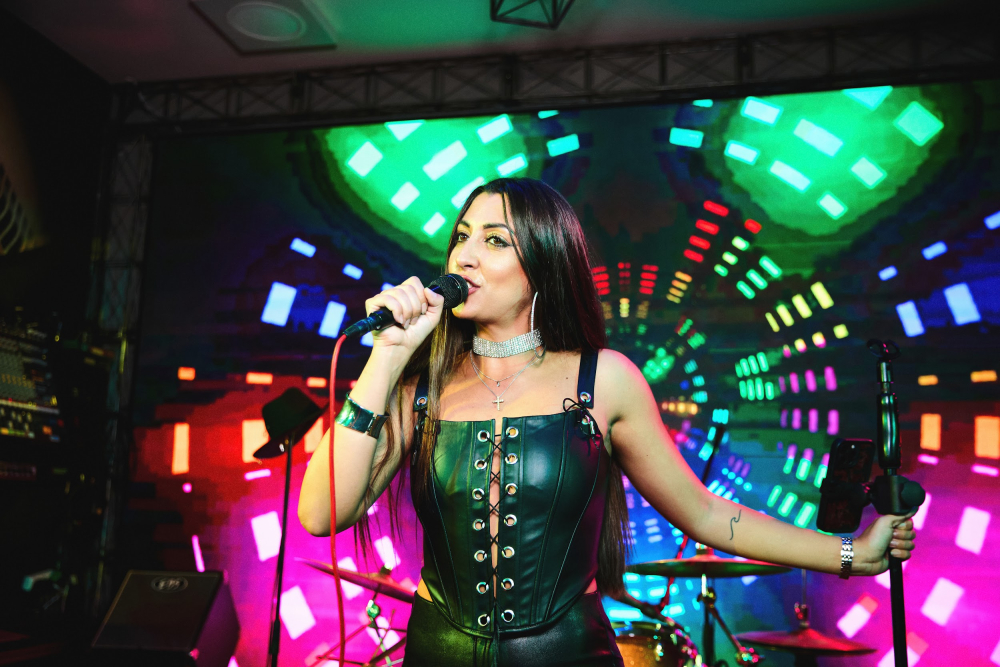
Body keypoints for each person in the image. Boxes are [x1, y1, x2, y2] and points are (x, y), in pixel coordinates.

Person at [298, 177, 916, 667]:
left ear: (543, 264)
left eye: (495, 241)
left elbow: (704, 515)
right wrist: (387, 357)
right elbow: (322, 514)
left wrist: (850, 553)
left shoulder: (604, 378)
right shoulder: (419, 387)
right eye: (462, 236)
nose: (466, 255)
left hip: (567, 652)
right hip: (439, 652)